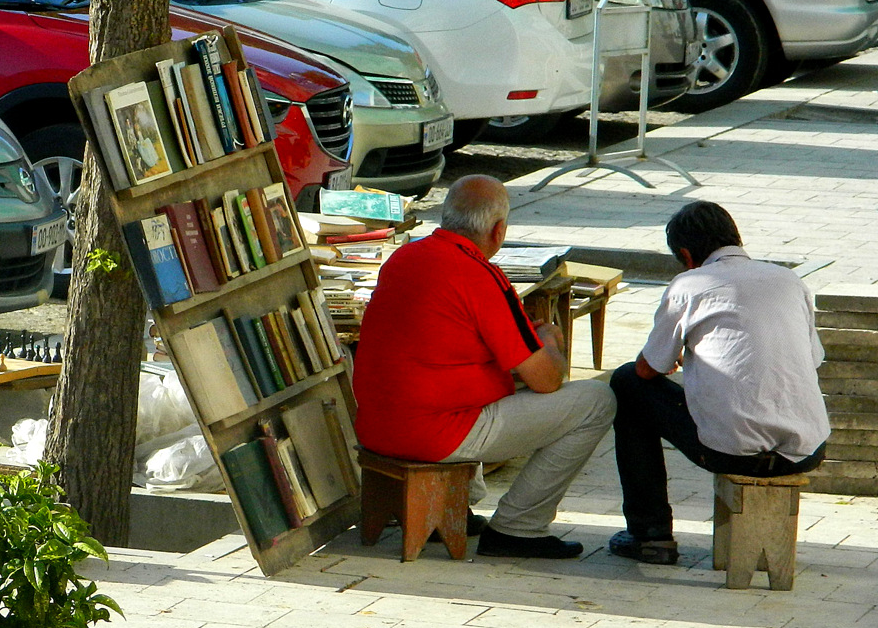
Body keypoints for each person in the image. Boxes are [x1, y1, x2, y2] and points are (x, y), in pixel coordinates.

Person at [353, 175, 615, 559]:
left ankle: (456, 505)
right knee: (596, 399)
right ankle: (518, 526)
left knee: (488, 380)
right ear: (498, 230)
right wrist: (550, 344)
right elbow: (545, 379)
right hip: (431, 432)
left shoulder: (404, 257)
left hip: (376, 425)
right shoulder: (477, 274)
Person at [609, 201, 827, 565]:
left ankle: (650, 534)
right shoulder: (789, 280)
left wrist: (679, 357)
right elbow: (812, 359)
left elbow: (647, 370)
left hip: (732, 449)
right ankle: (651, 533)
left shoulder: (690, 283)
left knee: (627, 384)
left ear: (686, 254)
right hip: (806, 449)